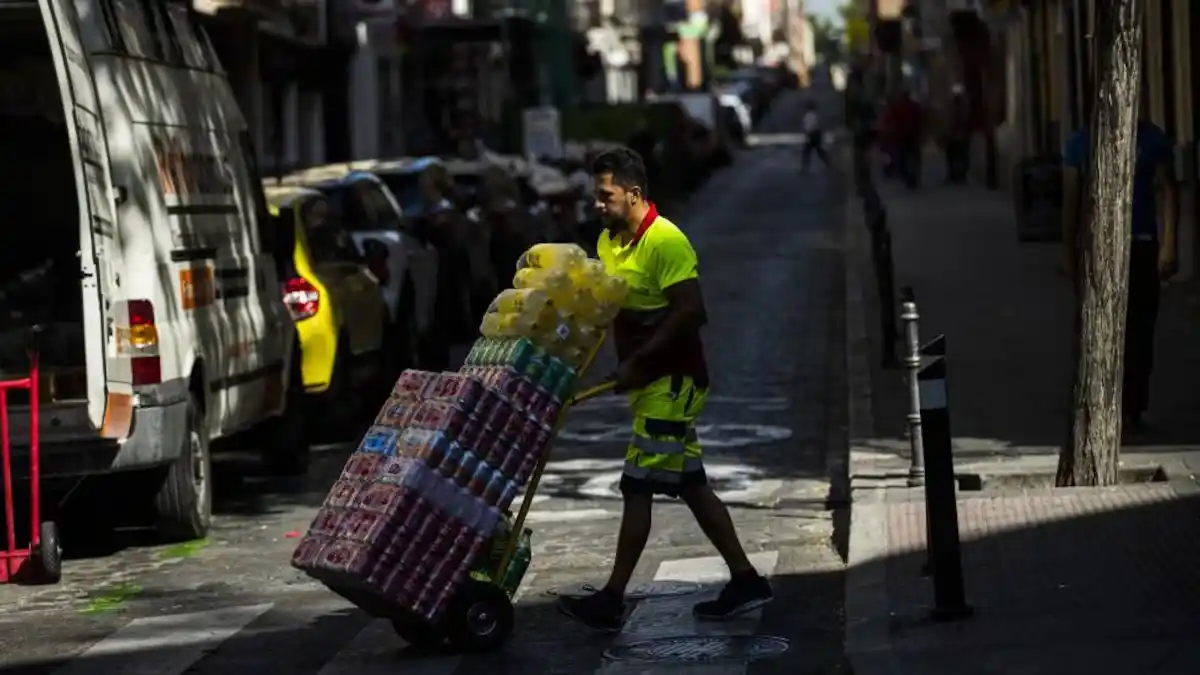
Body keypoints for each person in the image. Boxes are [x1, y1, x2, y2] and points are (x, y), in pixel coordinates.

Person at [556, 148, 773, 633]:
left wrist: (639, 364)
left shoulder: (666, 241)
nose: (597, 205)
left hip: (672, 382)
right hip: (650, 381)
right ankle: (745, 578)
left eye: (605, 196)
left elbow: (691, 311)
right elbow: (606, 305)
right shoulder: (610, 241)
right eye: (595, 196)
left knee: (637, 486)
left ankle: (612, 598)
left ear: (634, 194)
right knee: (692, 486)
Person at [1061, 118, 1178, 433]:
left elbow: (1168, 189)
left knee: (1140, 332)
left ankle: (1133, 407)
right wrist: (1069, 254)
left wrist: (1168, 245)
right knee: (1098, 328)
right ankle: (1099, 405)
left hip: (1141, 246)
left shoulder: (1153, 139)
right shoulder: (1082, 142)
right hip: (1098, 249)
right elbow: (1070, 201)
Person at [944, 84, 971, 184]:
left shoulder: (961, 107)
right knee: (954, 156)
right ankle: (955, 175)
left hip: (958, 136)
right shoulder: (961, 107)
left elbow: (955, 121)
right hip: (957, 136)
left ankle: (958, 175)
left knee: (957, 156)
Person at [801, 100, 829, 171]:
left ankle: (805, 169)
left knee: (807, 152)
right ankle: (829, 164)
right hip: (815, 134)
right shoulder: (814, 115)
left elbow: (808, 126)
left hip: (812, 134)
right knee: (819, 151)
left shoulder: (808, 116)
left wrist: (807, 135)